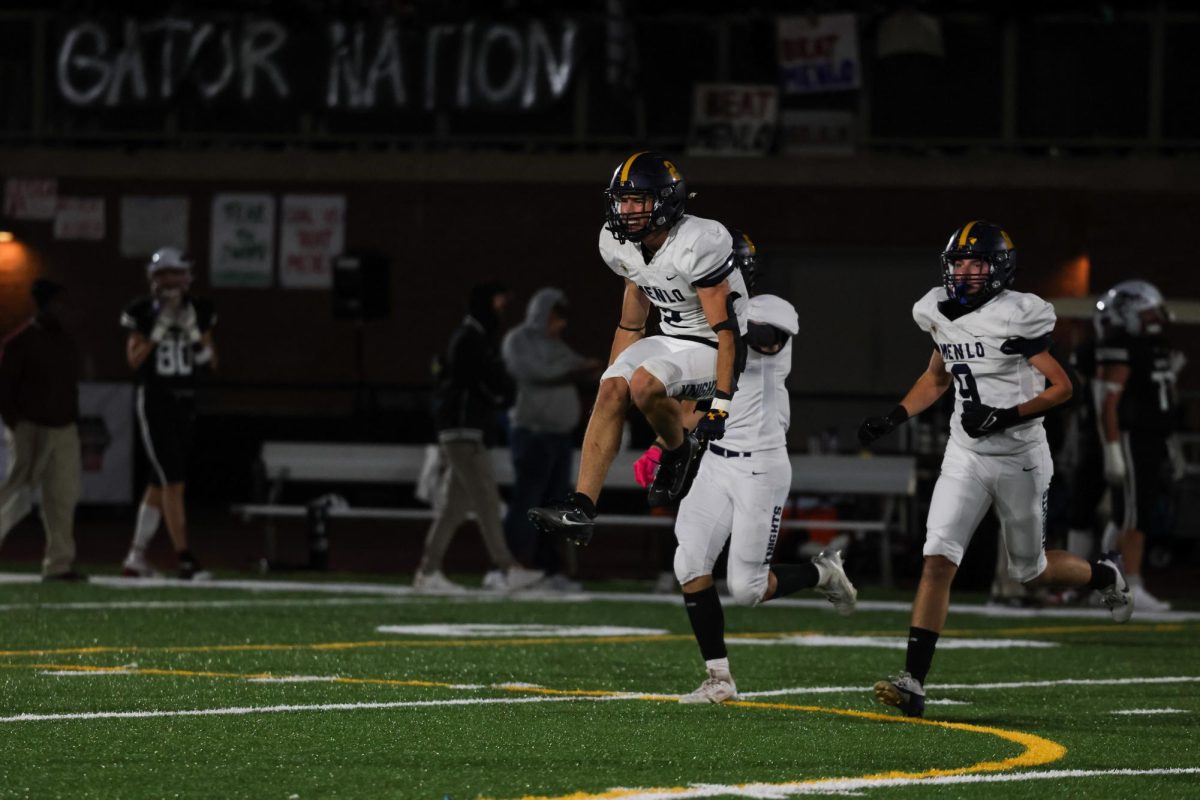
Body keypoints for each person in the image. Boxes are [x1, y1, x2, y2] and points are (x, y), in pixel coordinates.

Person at [857, 221, 1133, 719]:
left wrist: (1006, 415)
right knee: (938, 556)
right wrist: (894, 416)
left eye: (976, 263)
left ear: (999, 268)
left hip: (1020, 457)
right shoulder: (938, 310)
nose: (964, 272)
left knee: (1031, 570)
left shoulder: (1017, 315)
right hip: (965, 454)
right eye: (958, 263)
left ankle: (1103, 574)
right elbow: (936, 377)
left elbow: (1062, 388)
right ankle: (913, 681)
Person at [634, 294, 857, 704]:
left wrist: (721, 330)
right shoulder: (701, 322)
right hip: (716, 464)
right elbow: (689, 404)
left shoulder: (765, 311)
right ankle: (719, 678)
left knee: (747, 589)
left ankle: (822, 573)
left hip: (760, 467)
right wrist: (659, 447)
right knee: (688, 562)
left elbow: (768, 339)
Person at [529, 152, 749, 544]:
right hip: (672, 337)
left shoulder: (698, 241)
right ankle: (581, 507)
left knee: (646, 382)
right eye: (622, 201)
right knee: (614, 385)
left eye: (637, 201)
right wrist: (613, 389)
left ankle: (679, 452)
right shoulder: (620, 244)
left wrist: (721, 405)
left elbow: (728, 333)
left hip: (716, 344)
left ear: (666, 202)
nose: (626, 211)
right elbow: (631, 322)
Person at [416, 283, 544, 593]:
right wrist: (501, 394)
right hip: (464, 432)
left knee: (454, 508)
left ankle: (428, 572)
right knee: (487, 499)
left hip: (466, 431)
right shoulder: (469, 338)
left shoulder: (476, 337)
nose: (501, 307)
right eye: (498, 301)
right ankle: (508, 568)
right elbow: (479, 383)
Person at [120, 248, 216, 580]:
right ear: (153, 278)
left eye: (175, 273)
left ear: (187, 276)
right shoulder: (142, 310)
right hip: (156, 401)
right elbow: (133, 362)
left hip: (186, 403)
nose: (170, 281)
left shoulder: (199, 310)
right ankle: (185, 558)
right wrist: (158, 330)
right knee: (173, 482)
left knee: (159, 483)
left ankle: (136, 556)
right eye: (163, 274)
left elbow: (210, 363)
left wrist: (191, 332)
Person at [501, 288, 601, 590]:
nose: (561, 325)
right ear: (542, 313)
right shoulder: (518, 340)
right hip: (532, 435)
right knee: (527, 503)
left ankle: (550, 570)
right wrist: (577, 368)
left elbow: (582, 369)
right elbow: (533, 372)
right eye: (557, 317)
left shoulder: (556, 346)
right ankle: (514, 566)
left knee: (555, 506)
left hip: (559, 438)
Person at [1091, 280, 1181, 612]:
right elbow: (1108, 402)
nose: (1154, 318)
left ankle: (1106, 582)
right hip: (1131, 438)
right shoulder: (1120, 345)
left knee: (1127, 514)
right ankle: (1133, 583)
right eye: (1146, 313)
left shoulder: (1155, 346)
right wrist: (1112, 448)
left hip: (1152, 438)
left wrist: (1170, 444)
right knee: (1133, 516)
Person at [0, 279, 85, 581]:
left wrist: (74, 420)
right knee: (16, 494)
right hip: (31, 428)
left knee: (63, 497)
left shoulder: (65, 339)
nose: (64, 310)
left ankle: (59, 563)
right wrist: (18, 425)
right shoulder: (20, 342)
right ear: (43, 305)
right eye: (58, 303)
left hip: (63, 429)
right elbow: (4, 389)